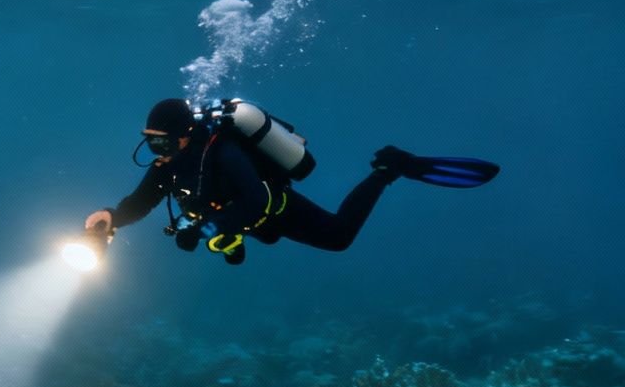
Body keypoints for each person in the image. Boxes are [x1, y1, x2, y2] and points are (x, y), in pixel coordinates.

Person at [83, 98, 498, 265]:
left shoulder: (223, 152)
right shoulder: (168, 166)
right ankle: (228, 240)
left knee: (338, 238)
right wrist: (111, 216)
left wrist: (210, 229)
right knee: (230, 239)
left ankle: (389, 169)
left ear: (186, 134)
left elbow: (258, 199)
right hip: (235, 224)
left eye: (166, 143)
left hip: (271, 211)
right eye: (153, 144)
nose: (160, 153)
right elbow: (142, 202)